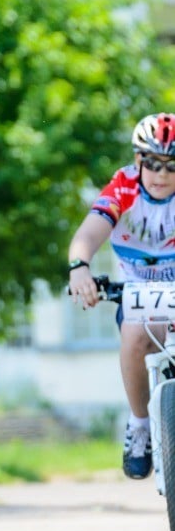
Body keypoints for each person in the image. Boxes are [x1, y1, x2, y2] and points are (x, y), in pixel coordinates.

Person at [68, 111, 175, 479]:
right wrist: (79, 267)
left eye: (172, 165)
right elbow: (88, 235)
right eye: (153, 164)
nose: (162, 175)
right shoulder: (125, 187)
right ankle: (140, 424)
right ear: (138, 161)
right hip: (138, 294)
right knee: (133, 331)